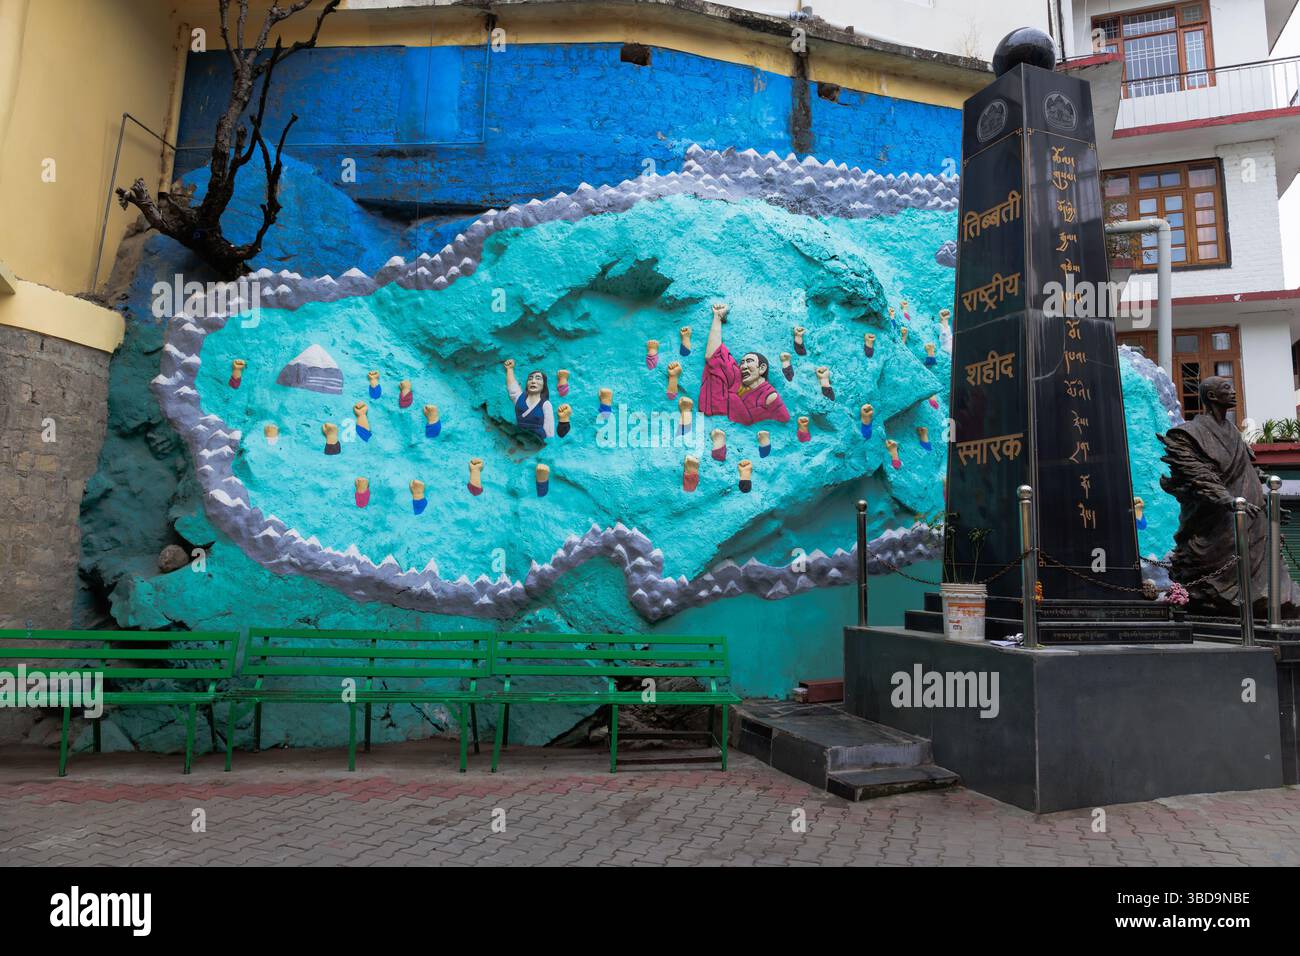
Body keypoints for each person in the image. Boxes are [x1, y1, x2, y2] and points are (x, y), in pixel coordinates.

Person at [1158, 376, 1298, 616]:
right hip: (1219, 517)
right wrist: (1227, 500)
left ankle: (1273, 600)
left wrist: (1268, 505)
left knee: (1266, 565)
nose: (1234, 392)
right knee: (1222, 560)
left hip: (1251, 512)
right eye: (1226, 388)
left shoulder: (1233, 432)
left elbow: (1247, 471)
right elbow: (1198, 474)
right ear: (1211, 396)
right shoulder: (1188, 434)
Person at [698, 303, 790, 425]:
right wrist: (717, 317)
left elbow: (784, 421)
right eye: (742, 363)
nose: (744, 366)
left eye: (749, 361)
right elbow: (713, 356)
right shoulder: (737, 383)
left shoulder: (770, 397)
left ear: (762, 368)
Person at [504, 360, 555, 439]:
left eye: (538, 379)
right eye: (530, 379)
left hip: (537, 441)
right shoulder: (520, 398)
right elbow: (512, 387)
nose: (533, 381)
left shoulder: (546, 404)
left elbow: (549, 429)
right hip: (519, 437)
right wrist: (510, 369)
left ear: (544, 385)